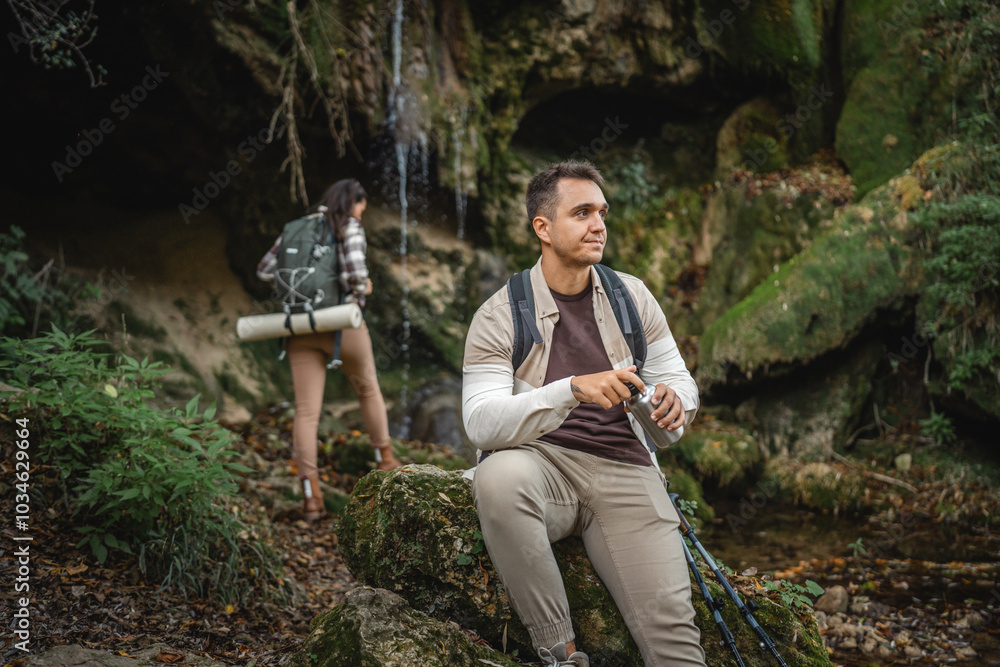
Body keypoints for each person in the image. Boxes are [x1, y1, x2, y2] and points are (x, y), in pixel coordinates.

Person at [462, 161, 706, 666]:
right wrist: (570, 389)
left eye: (602, 212)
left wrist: (676, 400)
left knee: (675, 642)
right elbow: (480, 420)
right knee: (498, 478)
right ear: (543, 228)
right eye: (582, 213)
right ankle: (562, 653)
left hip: (626, 470)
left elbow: (678, 378)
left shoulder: (631, 295)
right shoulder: (499, 313)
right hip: (542, 465)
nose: (599, 225)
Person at [258, 178, 401, 522]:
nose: (360, 218)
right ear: (352, 205)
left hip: (299, 327)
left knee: (306, 412)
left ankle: (310, 496)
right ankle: (386, 460)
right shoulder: (348, 226)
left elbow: (265, 271)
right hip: (341, 322)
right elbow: (354, 273)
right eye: (360, 211)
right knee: (367, 390)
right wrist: (362, 286)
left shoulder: (296, 227)